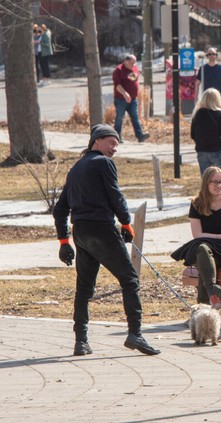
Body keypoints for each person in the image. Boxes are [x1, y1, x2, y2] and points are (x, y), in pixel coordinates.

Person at [52, 124, 160, 356]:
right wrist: (126, 224)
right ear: (96, 141)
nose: (115, 149)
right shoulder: (104, 163)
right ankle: (135, 334)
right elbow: (115, 195)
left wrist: (64, 242)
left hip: (81, 233)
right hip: (101, 229)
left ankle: (81, 341)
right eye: (112, 142)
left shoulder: (76, 168)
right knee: (130, 280)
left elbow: (60, 210)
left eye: (117, 144)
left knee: (84, 288)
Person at [171, 167, 221, 309]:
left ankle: (204, 305)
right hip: (207, 251)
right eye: (214, 182)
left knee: (201, 252)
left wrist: (214, 238)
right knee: (203, 249)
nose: (219, 186)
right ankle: (213, 291)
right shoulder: (197, 204)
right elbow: (197, 234)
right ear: (206, 183)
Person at [191, 88, 221, 175]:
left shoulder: (197, 114)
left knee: (206, 181)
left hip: (202, 151)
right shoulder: (220, 114)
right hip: (217, 151)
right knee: (219, 180)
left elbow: (193, 135)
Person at [112, 54, 150, 143]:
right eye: (131, 63)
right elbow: (117, 85)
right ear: (126, 61)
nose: (133, 65)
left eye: (134, 63)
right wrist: (125, 94)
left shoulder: (134, 68)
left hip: (133, 99)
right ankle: (117, 137)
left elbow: (135, 78)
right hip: (121, 99)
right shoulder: (118, 70)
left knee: (135, 117)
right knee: (119, 118)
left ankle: (140, 136)